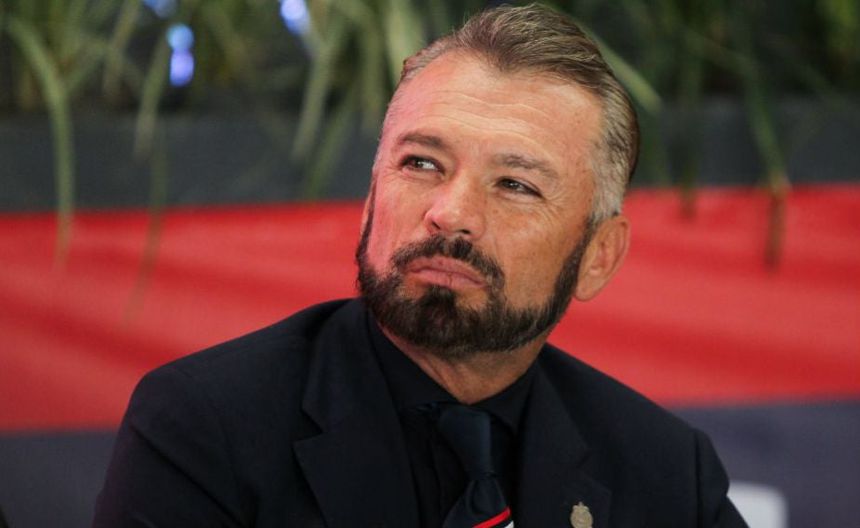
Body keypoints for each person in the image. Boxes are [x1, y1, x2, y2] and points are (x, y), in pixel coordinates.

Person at [94, 4, 747, 527]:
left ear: (598, 257)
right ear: (370, 198)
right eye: (422, 163)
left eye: (515, 185)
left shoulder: (667, 472)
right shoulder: (207, 426)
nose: (450, 213)